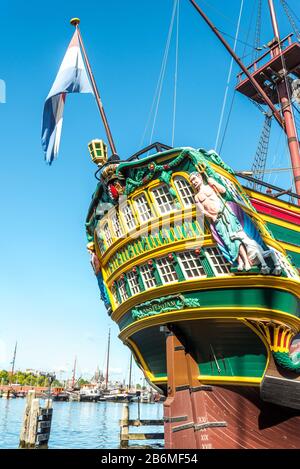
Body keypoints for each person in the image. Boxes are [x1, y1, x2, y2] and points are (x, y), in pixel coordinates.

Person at [189, 172, 251, 271]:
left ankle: (246, 261)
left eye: (194, 179)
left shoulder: (210, 186)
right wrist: (212, 216)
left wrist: (214, 182)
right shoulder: (196, 197)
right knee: (228, 241)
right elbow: (202, 211)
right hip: (216, 219)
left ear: (200, 177)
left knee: (234, 237)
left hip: (224, 212)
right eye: (191, 181)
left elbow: (223, 190)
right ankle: (239, 262)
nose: (193, 182)